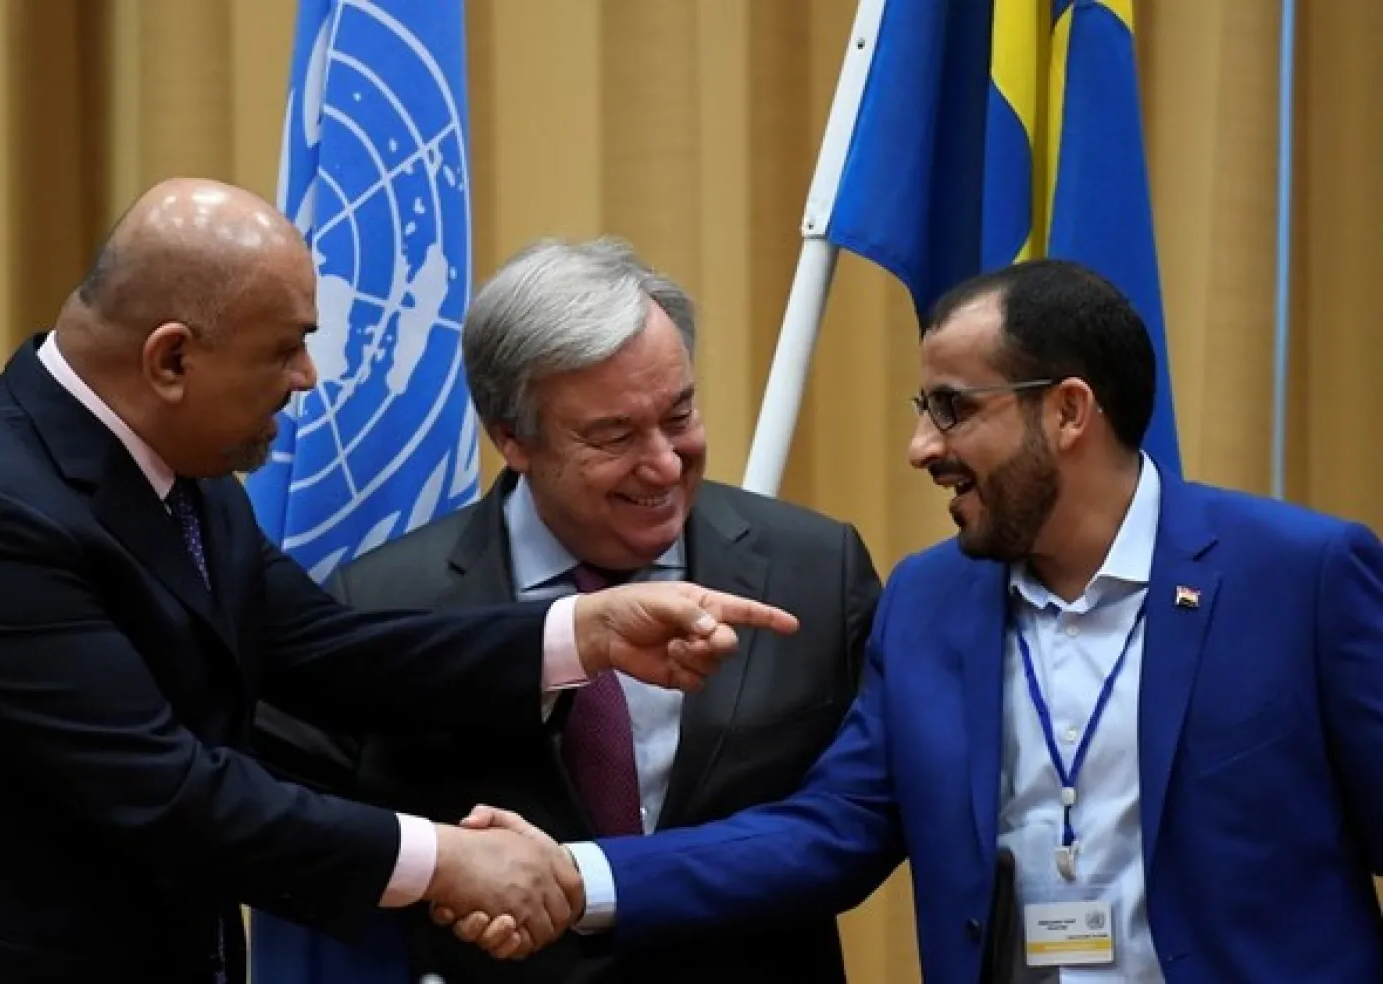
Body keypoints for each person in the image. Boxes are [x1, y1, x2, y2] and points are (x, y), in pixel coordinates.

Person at [0, 178, 799, 984]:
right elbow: (167, 789)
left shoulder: (170, 464)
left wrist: (582, 635)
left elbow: (328, 650)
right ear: (171, 360)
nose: (308, 379)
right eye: (284, 349)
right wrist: (445, 859)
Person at [448, 258, 1383, 983]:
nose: (921, 448)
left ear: (1067, 412)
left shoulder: (1296, 579)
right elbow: (831, 830)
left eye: (951, 409)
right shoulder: (931, 603)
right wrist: (578, 878)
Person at [254, 236, 881, 983]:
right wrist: (443, 873)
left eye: (679, 414)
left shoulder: (815, 569)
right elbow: (283, 831)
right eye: (613, 435)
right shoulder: (386, 600)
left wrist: (582, 879)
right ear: (512, 438)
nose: (664, 462)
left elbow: (860, 823)